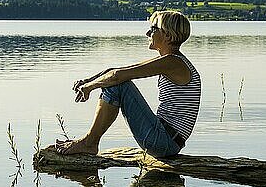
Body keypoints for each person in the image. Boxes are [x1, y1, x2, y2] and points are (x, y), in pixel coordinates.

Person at [55, 10, 201, 158]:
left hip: (163, 142)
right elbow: (118, 71)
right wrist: (89, 80)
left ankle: (89, 143)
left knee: (119, 85)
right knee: (116, 81)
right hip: (165, 140)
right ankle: (89, 142)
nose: (147, 33)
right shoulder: (173, 61)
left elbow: (118, 76)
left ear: (168, 35)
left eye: (153, 29)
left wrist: (89, 87)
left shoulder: (173, 62)